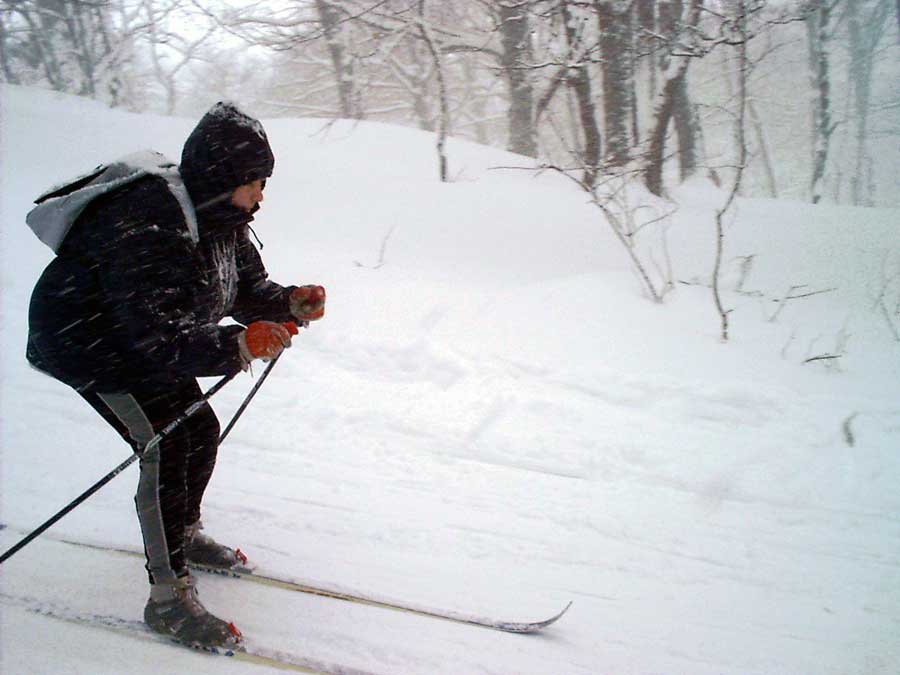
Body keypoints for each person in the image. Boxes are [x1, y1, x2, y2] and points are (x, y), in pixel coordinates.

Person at [26, 102, 326, 648]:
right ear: (221, 179)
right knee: (166, 443)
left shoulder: (223, 219)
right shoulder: (148, 220)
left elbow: (245, 292)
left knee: (200, 431)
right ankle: (168, 597)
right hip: (93, 345)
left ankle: (180, 536)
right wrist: (238, 342)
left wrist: (287, 304)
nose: (261, 195)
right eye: (254, 183)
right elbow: (157, 334)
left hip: (144, 344)